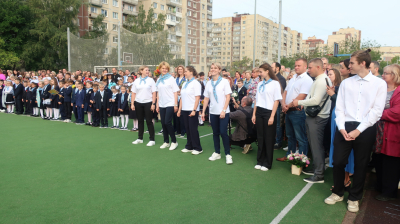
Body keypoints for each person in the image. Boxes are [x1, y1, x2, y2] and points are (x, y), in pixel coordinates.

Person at [325, 49, 387, 213]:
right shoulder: (346, 83)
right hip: (344, 127)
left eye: (351, 63)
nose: (348, 65)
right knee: (338, 161)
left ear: (363, 64)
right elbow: (340, 108)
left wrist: (358, 130)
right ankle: (338, 192)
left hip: (365, 128)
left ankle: (354, 198)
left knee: (360, 165)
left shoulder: (379, 84)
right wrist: (342, 128)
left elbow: (377, 112)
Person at [293, 58, 332, 183]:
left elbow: (315, 100)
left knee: (316, 146)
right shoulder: (320, 80)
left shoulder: (321, 81)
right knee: (315, 145)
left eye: (310, 68)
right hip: (315, 116)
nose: (308, 70)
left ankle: (319, 174)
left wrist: (298, 102)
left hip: (317, 118)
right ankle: (317, 168)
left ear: (318, 68)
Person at [276, 58, 313, 161]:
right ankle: (289, 156)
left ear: (305, 67)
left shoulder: (307, 79)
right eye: (295, 65)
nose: (296, 67)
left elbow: (302, 96)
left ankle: (301, 160)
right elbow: (285, 92)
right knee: (290, 136)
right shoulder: (293, 78)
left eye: (299, 65)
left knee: (300, 138)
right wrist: (283, 104)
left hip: (298, 112)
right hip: (288, 111)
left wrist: (287, 106)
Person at [373, 64, 400, 201]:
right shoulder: (381, 88)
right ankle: (380, 185)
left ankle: (389, 192)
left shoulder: (399, 91)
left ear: (394, 76)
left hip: (392, 132)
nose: (382, 75)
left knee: (391, 163)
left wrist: (377, 114)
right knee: (379, 159)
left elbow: (397, 113)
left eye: (386, 73)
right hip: (379, 131)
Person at [252, 63, 282, 171]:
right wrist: (254, 114)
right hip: (259, 111)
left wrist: (272, 116)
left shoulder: (275, 84)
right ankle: (260, 160)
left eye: (261, 72)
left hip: (269, 112)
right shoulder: (260, 84)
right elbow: (257, 100)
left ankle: (267, 163)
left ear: (267, 71)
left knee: (268, 138)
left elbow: (276, 100)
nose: (259, 74)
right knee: (260, 137)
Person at [202, 63, 233, 164]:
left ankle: (228, 154)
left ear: (219, 70)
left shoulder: (224, 82)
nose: (213, 70)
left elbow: (228, 97)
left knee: (223, 132)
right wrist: (203, 112)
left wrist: (224, 110)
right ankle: (217, 153)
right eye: (211, 68)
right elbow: (206, 98)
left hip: (223, 112)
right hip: (213, 112)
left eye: (215, 68)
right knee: (215, 133)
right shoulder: (208, 83)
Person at [177, 66, 203, 154]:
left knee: (193, 129)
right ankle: (189, 146)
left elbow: (197, 98)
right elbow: (181, 98)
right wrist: (180, 110)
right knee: (187, 129)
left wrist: (194, 110)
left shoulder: (196, 83)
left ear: (191, 72)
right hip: (185, 109)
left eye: (186, 71)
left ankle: (198, 148)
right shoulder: (184, 83)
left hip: (192, 109)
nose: (184, 73)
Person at [156, 61, 180, 150]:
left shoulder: (171, 79)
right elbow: (158, 92)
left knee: (167, 122)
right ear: (160, 69)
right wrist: (157, 104)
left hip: (170, 103)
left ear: (168, 69)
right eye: (163, 68)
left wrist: (175, 104)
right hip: (161, 104)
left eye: (166, 68)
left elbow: (175, 92)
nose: (164, 70)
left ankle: (174, 141)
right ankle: (166, 141)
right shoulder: (159, 79)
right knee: (163, 123)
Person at [131, 66, 156, 146]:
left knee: (149, 121)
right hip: (138, 103)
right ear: (141, 71)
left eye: (148, 70)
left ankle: (152, 139)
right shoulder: (136, 81)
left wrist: (153, 103)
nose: (148, 71)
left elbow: (154, 92)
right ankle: (140, 138)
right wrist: (132, 103)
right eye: (146, 70)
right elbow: (133, 93)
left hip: (148, 102)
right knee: (140, 121)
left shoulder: (151, 80)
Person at [272, 62, 288, 149]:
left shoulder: (281, 79)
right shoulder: (273, 78)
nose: (271, 69)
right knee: (274, 123)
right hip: (272, 104)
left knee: (278, 124)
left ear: (277, 68)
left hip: (278, 104)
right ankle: (275, 139)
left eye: (272, 67)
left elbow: (279, 92)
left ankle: (278, 142)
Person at [174, 65, 186, 138]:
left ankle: (183, 131)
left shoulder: (185, 79)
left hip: (183, 98)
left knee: (181, 115)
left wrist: (180, 92)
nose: (180, 71)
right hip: (176, 98)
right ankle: (177, 130)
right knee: (176, 116)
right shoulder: (176, 78)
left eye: (181, 69)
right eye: (179, 69)